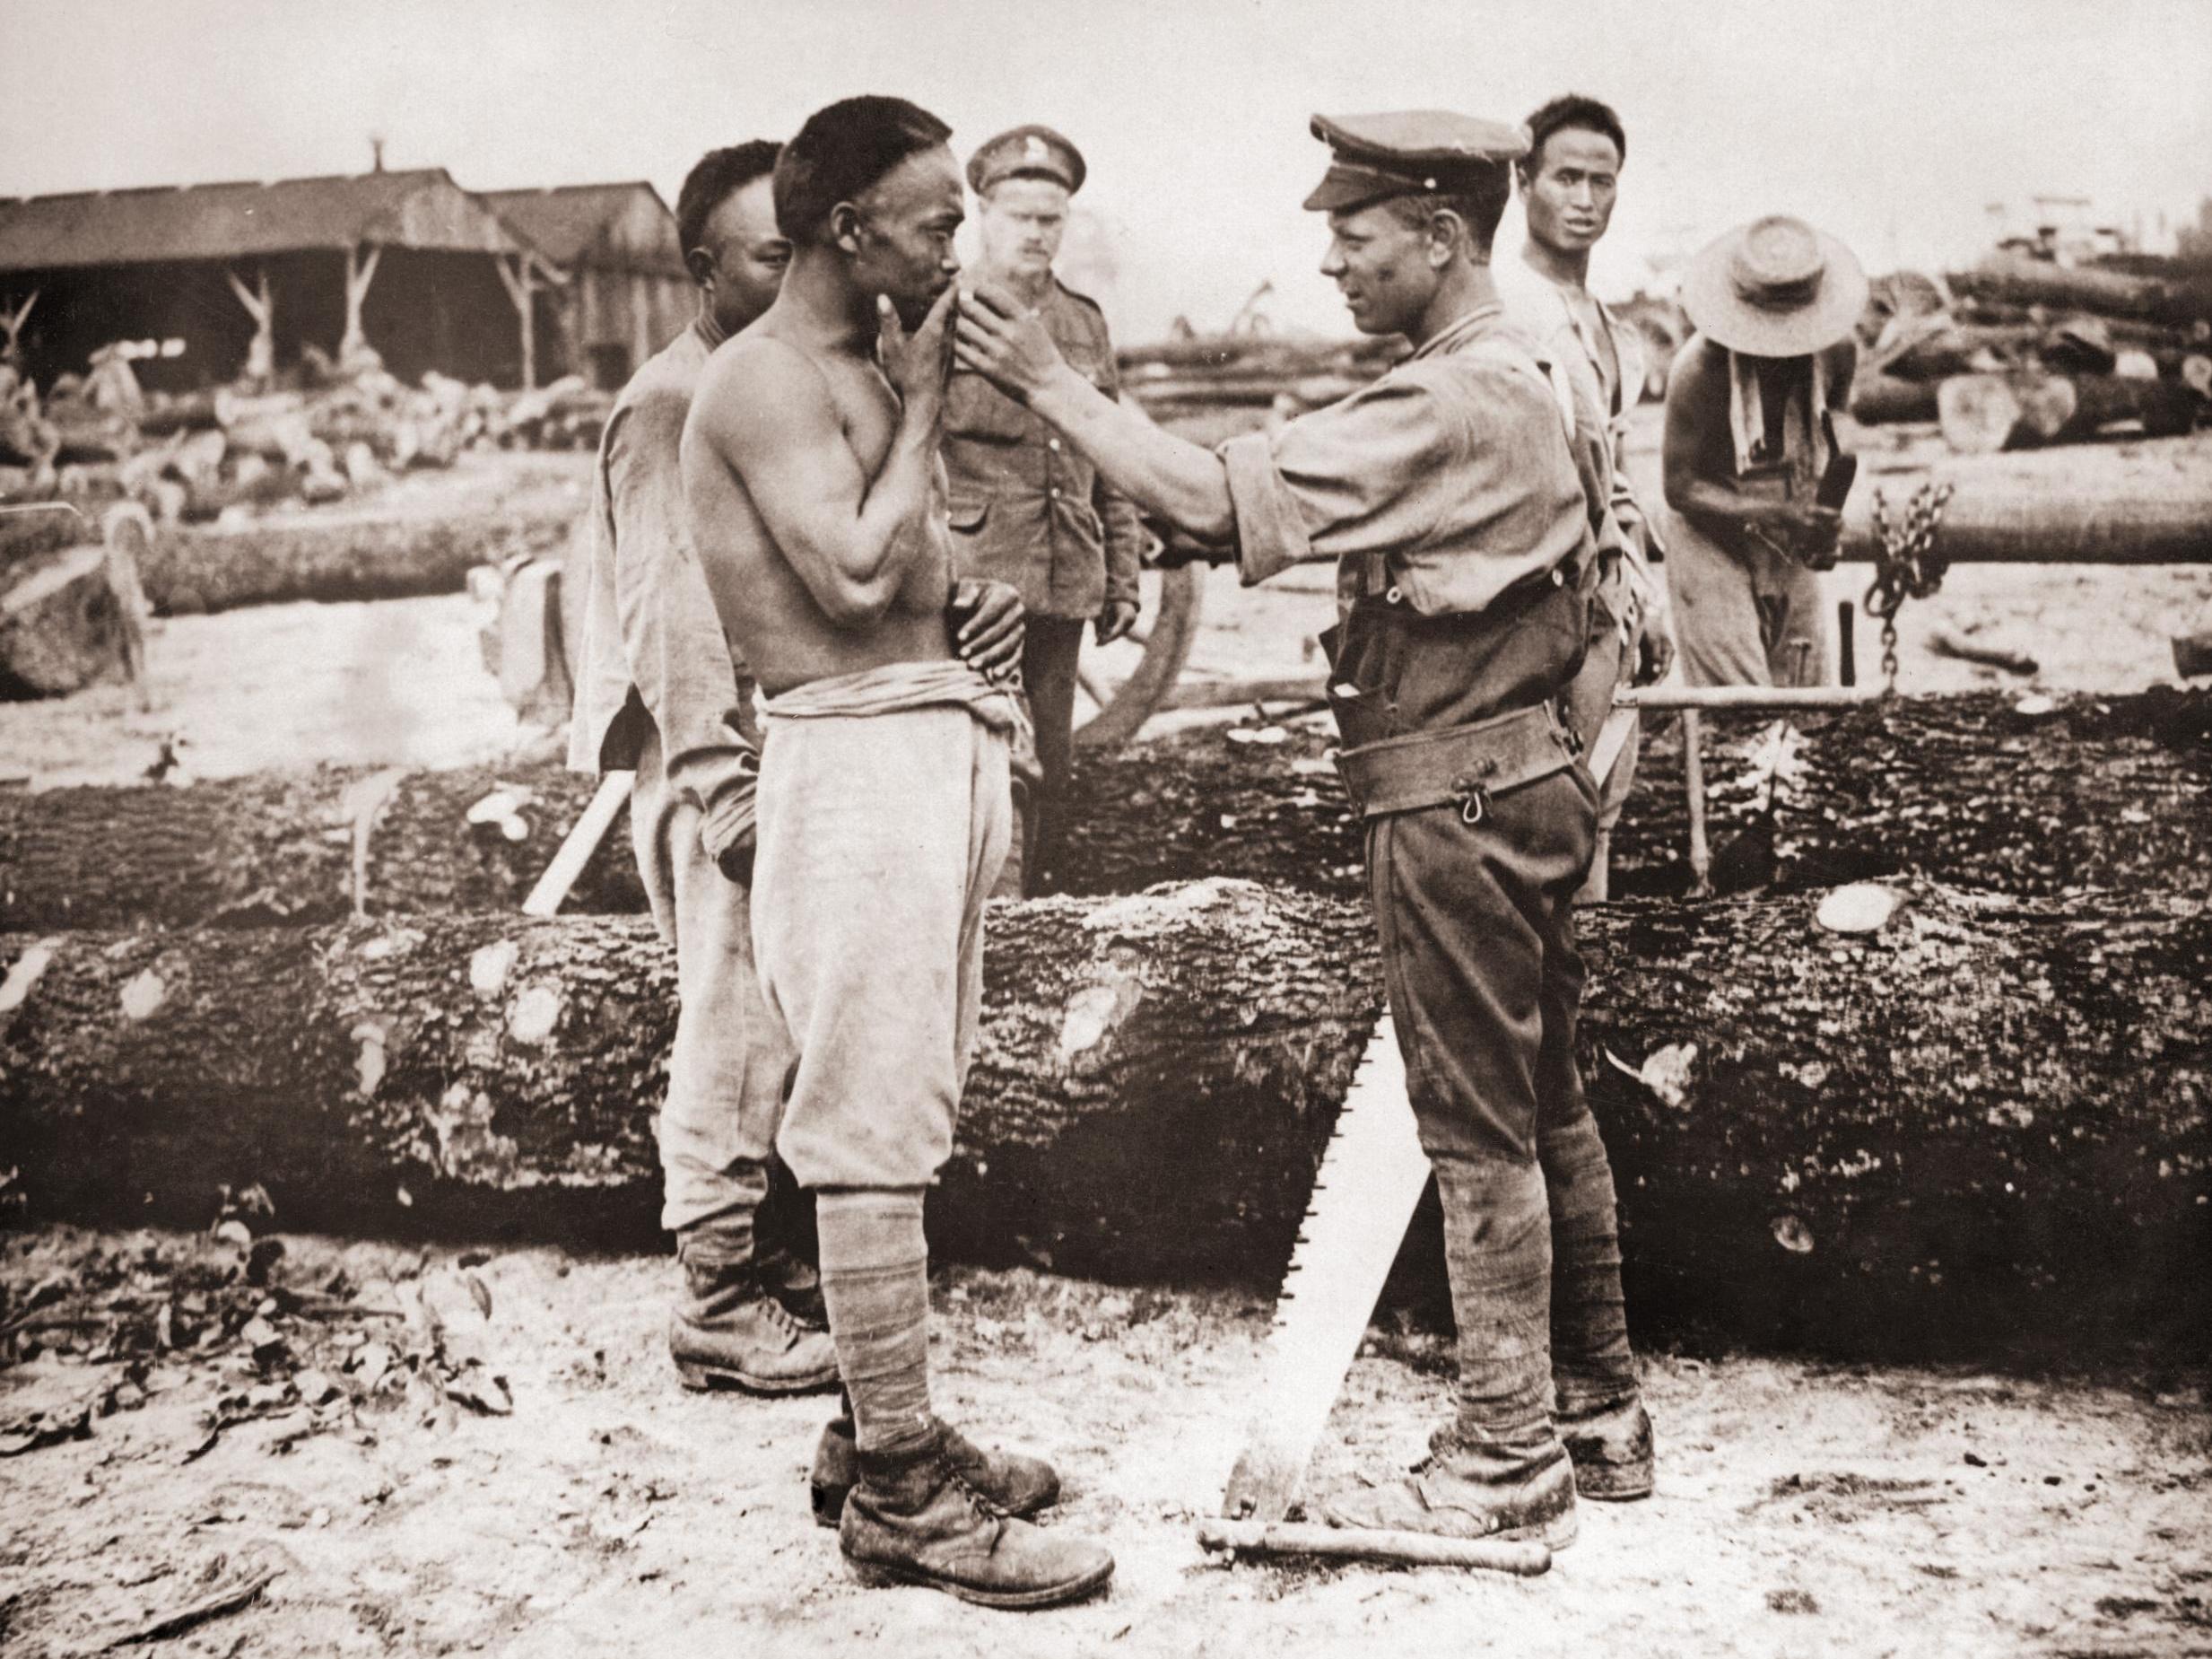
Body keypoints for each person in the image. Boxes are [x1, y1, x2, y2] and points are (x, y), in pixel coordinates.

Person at [957, 109, 1653, 1547]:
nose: (1331, 260)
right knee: (1547, 1097)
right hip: (1528, 777)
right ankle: (1597, 1401)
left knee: (1472, 1128)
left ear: (1441, 235)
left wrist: (1047, 382)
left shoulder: (1453, 398)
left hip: (1455, 795)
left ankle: (1508, 1455)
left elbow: (1212, 507)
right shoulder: (1525, 360)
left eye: (1355, 235)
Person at [679, 94, 1114, 1611]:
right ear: (852, 230)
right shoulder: (757, 380)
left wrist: (977, 607)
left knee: (910, 1097)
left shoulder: (857, 362)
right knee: (868, 1116)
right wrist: (929, 402)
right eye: (937, 219)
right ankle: (910, 1496)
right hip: (851, 760)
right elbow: (850, 573)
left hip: (928, 741)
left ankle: (882, 1435)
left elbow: (914, 571)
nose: (960, 242)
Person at [566, 140, 840, 1399]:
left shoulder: (760, 385)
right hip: (712, 756)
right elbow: (667, 615)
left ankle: (765, 1255)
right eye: (767, 257)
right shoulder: (675, 400)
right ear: (701, 268)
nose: (794, 279)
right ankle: (715, 1299)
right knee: (728, 1025)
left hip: (779, 743)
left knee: (781, 1017)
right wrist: (721, 784)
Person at [943, 124, 1148, 894]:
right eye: (1020, 216)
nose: (1037, 232)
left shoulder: (1082, 323)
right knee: (988, 770)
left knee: (1052, 771)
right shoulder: (945, 314)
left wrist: (1122, 576)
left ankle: (1040, 924)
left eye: (1051, 218)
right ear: (983, 216)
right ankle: (996, 921)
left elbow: (1112, 458)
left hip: (1062, 584)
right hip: (972, 594)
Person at [1498, 92, 1673, 900]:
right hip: (1534, 597)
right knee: (1541, 807)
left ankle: (1584, 992)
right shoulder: (1508, 308)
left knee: (1604, 797)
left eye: (1602, 182)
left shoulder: (1604, 320)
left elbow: (1619, 468)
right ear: (1522, 180)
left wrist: (1647, 592)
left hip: (1608, 592)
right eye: (1566, 178)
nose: (1585, 200)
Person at [1660, 214, 1866, 686]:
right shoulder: (1699, 371)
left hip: (1789, 521)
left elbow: (1837, 419)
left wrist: (1824, 510)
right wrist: (1780, 512)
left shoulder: (1838, 351)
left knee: (1803, 691)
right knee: (1739, 709)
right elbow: (1679, 487)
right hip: (1711, 532)